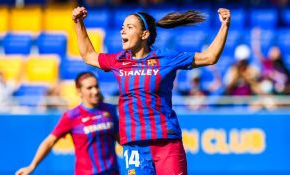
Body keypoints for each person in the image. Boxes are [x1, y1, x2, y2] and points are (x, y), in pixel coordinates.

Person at [72, 6, 230, 175]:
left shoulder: (166, 57)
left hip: (166, 143)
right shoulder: (118, 60)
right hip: (134, 145)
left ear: (144, 34)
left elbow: (210, 57)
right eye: (122, 27)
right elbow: (88, 55)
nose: (122, 31)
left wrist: (225, 25)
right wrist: (78, 22)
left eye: (129, 27)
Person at [15, 72, 119, 175]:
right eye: (89, 88)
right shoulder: (71, 116)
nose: (95, 91)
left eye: (96, 86)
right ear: (79, 91)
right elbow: (49, 142)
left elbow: (120, 138)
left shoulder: (110, 110)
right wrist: (32, 166)